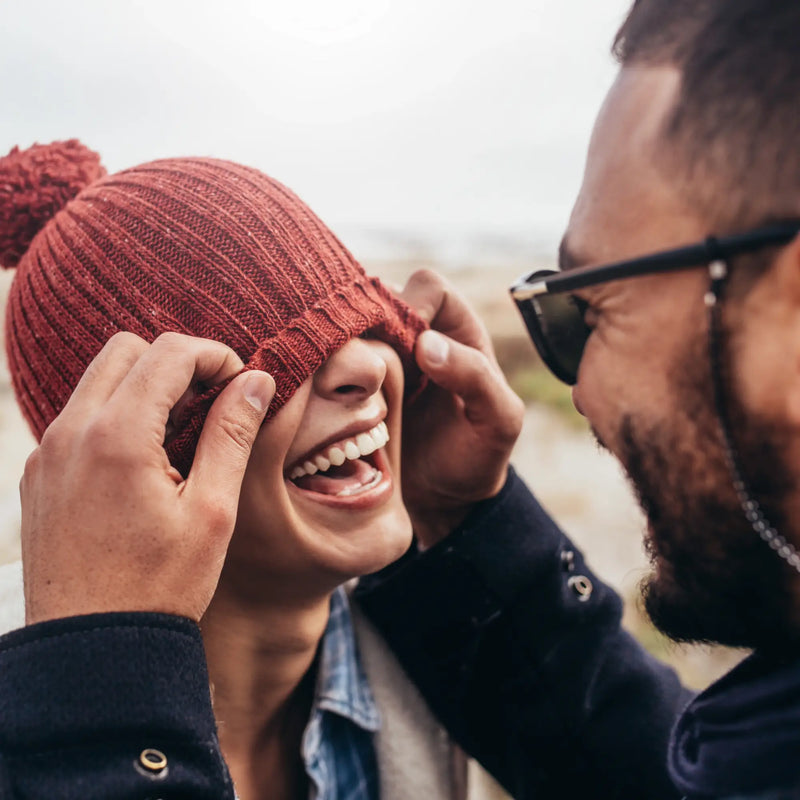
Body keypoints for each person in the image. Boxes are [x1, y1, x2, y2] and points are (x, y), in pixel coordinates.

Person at [0, 143, 512, 799]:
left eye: (362, 322)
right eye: (282, 356)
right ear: (132, 477)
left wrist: (476, 526)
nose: (366, 368)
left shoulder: (438, 658)